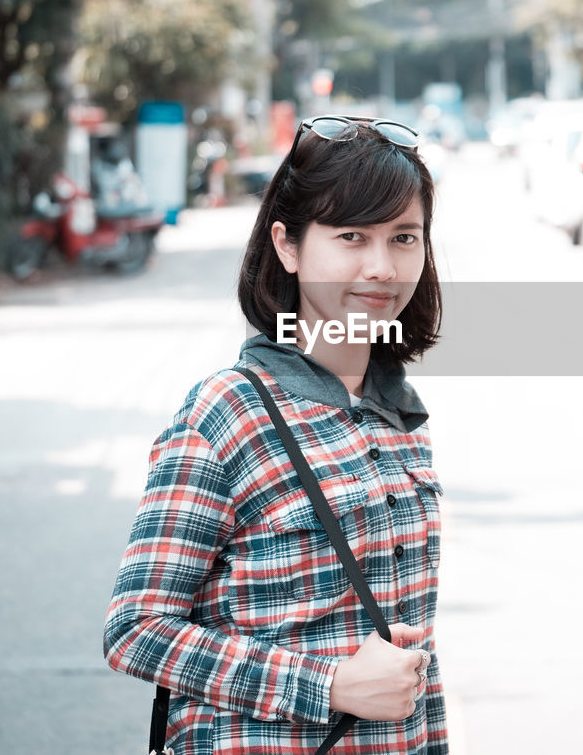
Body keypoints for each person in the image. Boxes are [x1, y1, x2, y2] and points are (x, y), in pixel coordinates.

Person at [103, 114, 447, 754]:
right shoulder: (228, 413)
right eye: (351, 236)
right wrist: (328, 685)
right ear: (289, 246)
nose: (381, 267)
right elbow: (136, 628)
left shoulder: (399, 416)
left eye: (404, 238)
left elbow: (409, 663)